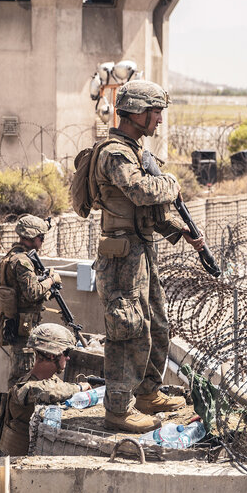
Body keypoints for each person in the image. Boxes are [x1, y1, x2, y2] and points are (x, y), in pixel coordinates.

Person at [92, 80, 205, 433]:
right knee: (128, 328)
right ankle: (119, 409)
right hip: (122, 254)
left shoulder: (136, 150)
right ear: (137, 112)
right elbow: (142, 192)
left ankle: (147, 393)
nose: (159, 119)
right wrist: (172, 184)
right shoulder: (115, 152)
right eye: (155, 112)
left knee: (156, 324)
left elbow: (149, 212)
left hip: (141, 250)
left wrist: (177, 229)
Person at [0, 323, 91, 456]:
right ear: (51, 356)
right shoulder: (25, 388)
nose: (68, 357)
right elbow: (42, 391)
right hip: (13, 466)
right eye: (65, 353)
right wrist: (78, 388)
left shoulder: (53, 382)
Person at [0, 214, 63, 388]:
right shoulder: (22, 261)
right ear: (33, 238)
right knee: (22, 380)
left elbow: (23, 292)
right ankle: (14, 414)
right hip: (23, 329)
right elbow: (33, 293)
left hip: (17, 324)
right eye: (41, 237)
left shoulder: (12, 256)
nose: (42, 241)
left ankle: (11, 413)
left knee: (18, 378)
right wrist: (52, 280)